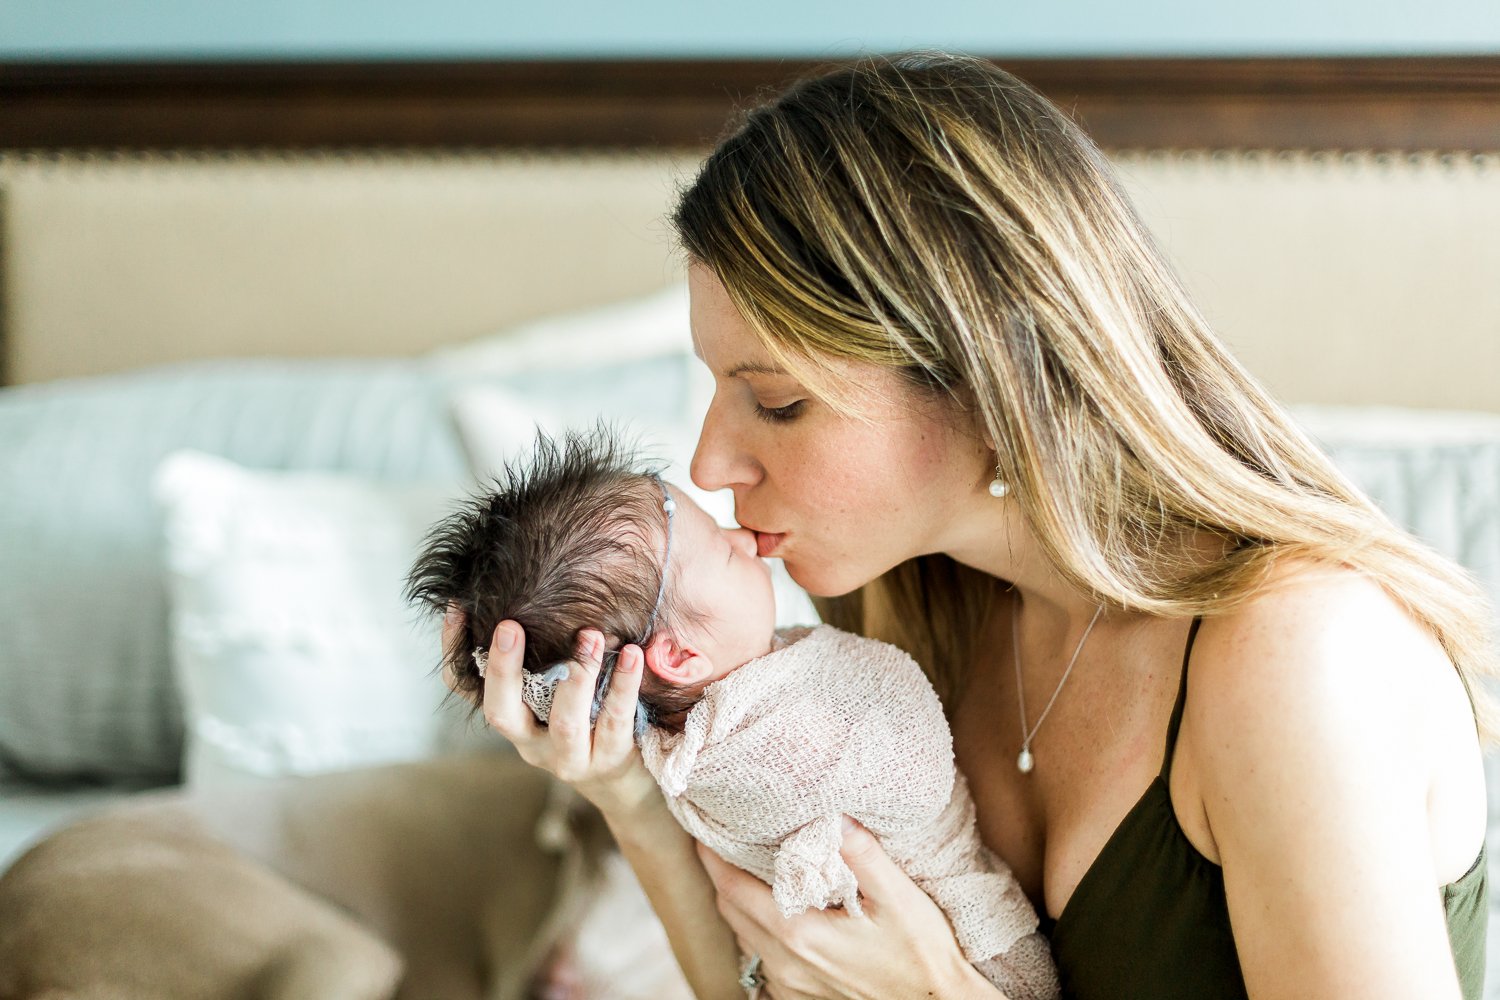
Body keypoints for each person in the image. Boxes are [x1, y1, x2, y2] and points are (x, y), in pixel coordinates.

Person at [445, 52, 1494, 999]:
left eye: (777, 400)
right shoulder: (906, 620)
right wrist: (623, 789)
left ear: (994, 381)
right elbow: (779, 981)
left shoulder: (1294, 655)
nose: (712, 463)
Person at [406, 429, 1060, 999]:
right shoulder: (751, 751)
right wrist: (620, 791)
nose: (741, 535)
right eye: (719, 551)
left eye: (780, 403)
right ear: (681, 655)